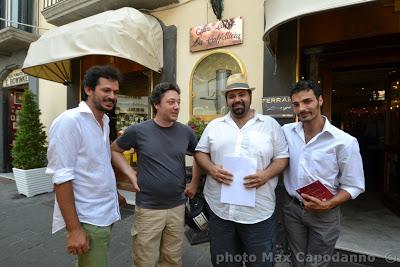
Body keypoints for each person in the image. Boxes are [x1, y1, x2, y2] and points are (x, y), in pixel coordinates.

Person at [194, 73, 289, 267]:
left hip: (258, 214)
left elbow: (282, 157)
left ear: (249, 96)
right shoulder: (214, 126)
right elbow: (200, 153)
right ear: (227, 100)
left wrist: (266, 175)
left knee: (261, 264)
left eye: (241, 94)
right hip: (221, 213)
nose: (237, 99)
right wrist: (212, 169)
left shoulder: (270, 125)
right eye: (232, 95)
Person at [110, 82, 199, 267]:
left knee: (172, 259)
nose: (176, 106)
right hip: (149, 208)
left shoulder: (185, 132)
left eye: (178, 102)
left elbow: (199, 155)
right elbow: (114, 149)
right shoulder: (138, 131)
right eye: (171, 102)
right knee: (145, 261)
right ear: (157, 104)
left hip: (177, 207)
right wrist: (129, 173)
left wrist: (194, 184)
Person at [46, 65, 124, 267]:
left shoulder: (105, 120)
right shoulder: (70, 121)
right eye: (106, 90)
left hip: (106, 211)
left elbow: (100, 165)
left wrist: (114, 193)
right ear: (88, 89)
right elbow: (61, 177)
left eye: (115, 92)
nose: (112, 96)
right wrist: (74, 229)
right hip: (88, 217)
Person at [282, 80, 365, 267]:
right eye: (296, 104)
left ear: (320, 100)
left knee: (316, 264)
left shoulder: (344, 142)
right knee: (296, 261)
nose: (302, 108)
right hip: (293, 209)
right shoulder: (286, 132)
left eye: (307, 101)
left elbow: (354, 185)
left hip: (326, 213)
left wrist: (329, 204)